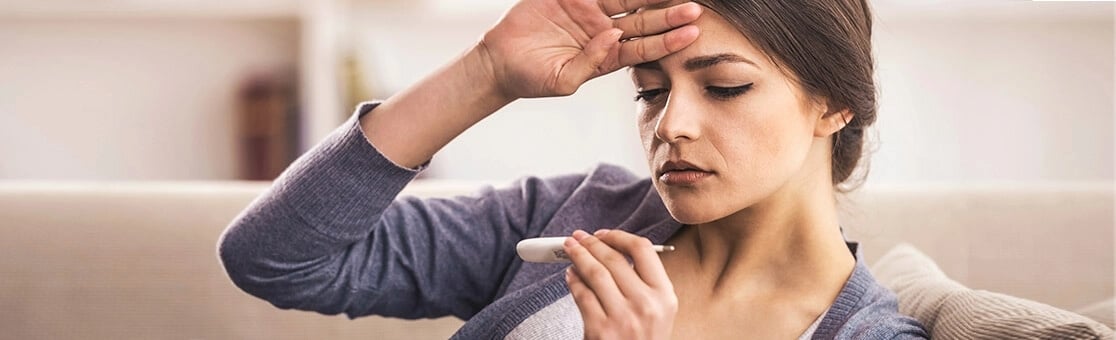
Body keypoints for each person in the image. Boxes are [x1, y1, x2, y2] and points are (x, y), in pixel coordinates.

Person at [218, 0, 929, 338]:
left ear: (833, 104)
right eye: (650, 91)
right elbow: (275, 257)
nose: (671, 124)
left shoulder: (868, 337)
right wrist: (488, 73)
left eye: (724, 87)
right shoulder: (567, 224)